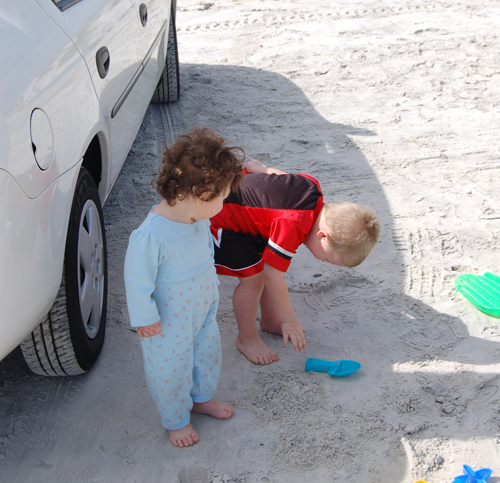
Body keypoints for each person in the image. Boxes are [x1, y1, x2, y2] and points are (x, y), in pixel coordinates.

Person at [124, 128, 244, 447]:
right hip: (167, 321)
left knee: (206, 354)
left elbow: (205, 252)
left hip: (202, 308)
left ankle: (201, 398)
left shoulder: (197, 218)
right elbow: (137, 280)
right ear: (199, 192)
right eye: (221, 197)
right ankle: (176, 419)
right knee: (171, 369)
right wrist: (144, 316)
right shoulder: (151, 235)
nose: (224, 202)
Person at [210, 158, 381, 365]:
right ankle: (247, 338)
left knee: (263, 266)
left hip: (246, 213)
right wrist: (289, 320)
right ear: (323, 236)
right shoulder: (293, 224)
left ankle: (269, 320)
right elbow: (273, 277)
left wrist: (259, 168)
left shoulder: (312, 188)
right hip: (220, 217)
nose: (324, 262)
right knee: (254, 279)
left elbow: (281, 177)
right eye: (328, 259)